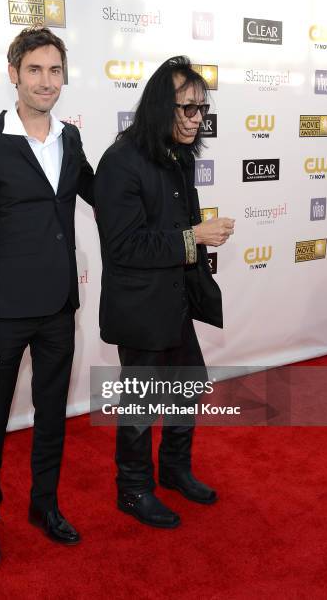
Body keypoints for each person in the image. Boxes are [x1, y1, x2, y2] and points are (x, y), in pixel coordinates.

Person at [0, 26, 93, 568]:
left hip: (60, 306)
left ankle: (45, 505)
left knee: (52, 414)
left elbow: (103, 193)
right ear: (13, 74)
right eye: (35, 69)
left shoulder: (70, 138)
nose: (46, 80)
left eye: (55, 70)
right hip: (6, 311)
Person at [94, 56, 234, 528]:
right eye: (187, 108)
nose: (197, 118)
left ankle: (174, 470)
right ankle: (132, 490)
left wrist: (192, 241)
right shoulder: (120, 162)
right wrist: (196, 237)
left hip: (174, 300)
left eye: (202, 108)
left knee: (188, 388)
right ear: (159, 106)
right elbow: (123, 246)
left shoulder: (178, 154)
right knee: (140, 403)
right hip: (139, 306)